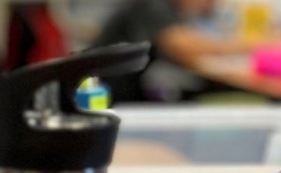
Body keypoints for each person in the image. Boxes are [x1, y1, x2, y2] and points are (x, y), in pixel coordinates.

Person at [94, 0, 259, 101]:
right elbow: (178, 43)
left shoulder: (174, 10)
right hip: (108, 94)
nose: (208, 5)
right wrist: (248, 45)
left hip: (133, 89)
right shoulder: (152, 5)